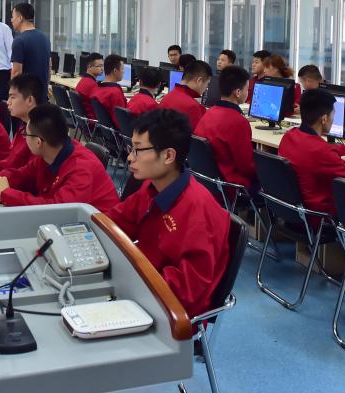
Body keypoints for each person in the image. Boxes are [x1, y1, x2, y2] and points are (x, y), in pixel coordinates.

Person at [104, 110, 230, 318]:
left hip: (170, 311)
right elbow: (114, 222)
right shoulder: (152, 188)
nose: (130, 157)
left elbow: (186, 291)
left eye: (138, 150)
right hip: (143, 285)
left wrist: (128, 282)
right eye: (131, 148)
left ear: (169, 156)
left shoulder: (197, 210)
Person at [0, 104, 119, 210]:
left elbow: (56, 210)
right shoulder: (52, 150)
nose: (25, 138)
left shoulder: (81, 169)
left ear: (38, 142)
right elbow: (23, 174)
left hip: (99, 228)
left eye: (26, 134)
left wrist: (6, 193)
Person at [277, 89, 345, 217]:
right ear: (324, 119)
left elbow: (324, 149)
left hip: (292, 210)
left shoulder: (290, 135)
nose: (334, 119)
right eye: (333, 115)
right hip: (320, 216)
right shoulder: (321, 152)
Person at [194, 66, 256, 189]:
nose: (248, 92)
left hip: (206, 181)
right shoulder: (238, 122)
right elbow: (246, 167)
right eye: (247, 89)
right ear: (238, 92)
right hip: (230, 185)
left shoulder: (209, 113)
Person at [0, 74, 43, 174]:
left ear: (29, 100)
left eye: (12, 97)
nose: (8, 102)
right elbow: (10, 163)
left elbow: (25, 174)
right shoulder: (24, 126)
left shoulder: (39, 135)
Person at [10, 3, 51, 98]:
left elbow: (16, 72)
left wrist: (12, 96)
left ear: (20, 18)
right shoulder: (45, 38)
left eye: (13, 17)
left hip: (26, 96)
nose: (12, 20)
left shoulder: (19, 40)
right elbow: (49, 67)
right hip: (42, 94)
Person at [158, 60, 212, 130]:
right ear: (199, 80)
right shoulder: (194, 107)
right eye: (207, 83)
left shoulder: (167, 97)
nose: (206, 87)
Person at [93, 54, 127, 125]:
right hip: (117, 131)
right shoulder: (115, 93)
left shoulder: (98, 87)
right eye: (122, 69)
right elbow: (121, 122)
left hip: (104, 129)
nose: (124, 71)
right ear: (115, 71)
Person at [75, 53, 104, 118]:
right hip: (93, 121)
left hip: (84, 120)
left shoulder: (84, 80)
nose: (102, 69)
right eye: (99, 66)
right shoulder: (92, 85)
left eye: (102, 66)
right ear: (89, 67)